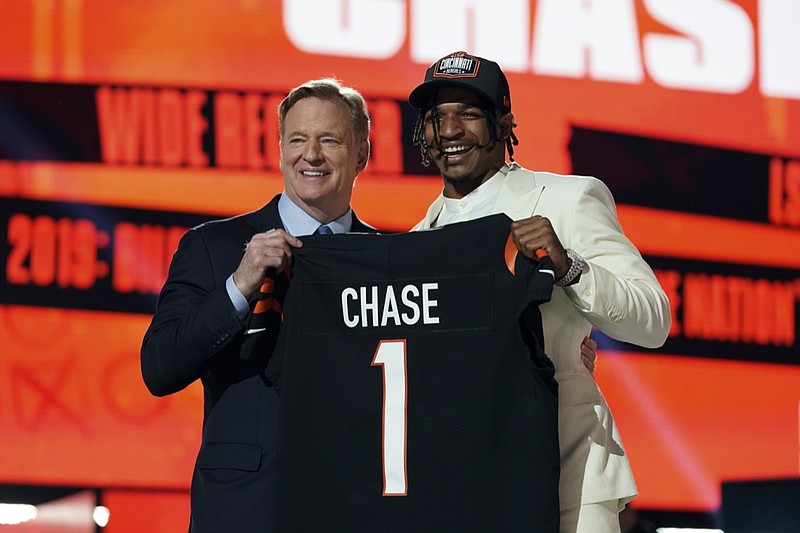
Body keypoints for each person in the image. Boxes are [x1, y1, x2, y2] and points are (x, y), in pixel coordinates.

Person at [407, 51, 671, 533]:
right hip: (465, 486)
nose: (449, 131)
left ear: (503, 120)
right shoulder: (417, 240)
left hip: (567, 477)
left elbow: (653, 318)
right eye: (436, 117)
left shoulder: (568, 199)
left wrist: (569, 268)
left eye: (467, 113)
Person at [140, 78, 374, 532]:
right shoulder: (212, 247)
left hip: (353, 505)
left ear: (363, 153)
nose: (312, 155)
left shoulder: (387, 260)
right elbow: (159, 367)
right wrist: (239, 285)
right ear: (280, 149)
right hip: (244, 508)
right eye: (298, 140)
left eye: (329, 140)